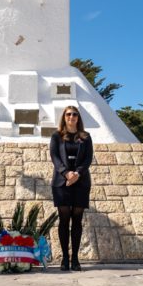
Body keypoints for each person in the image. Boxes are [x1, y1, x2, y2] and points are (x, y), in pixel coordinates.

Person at [49, 105, 94, 271]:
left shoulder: (86, 137)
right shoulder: (57, 136)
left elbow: (88, 158)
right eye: (68, 114)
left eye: (75, 114)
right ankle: (65, 258)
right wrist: (66, 173)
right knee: (64, 219)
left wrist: (77, 174)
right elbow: (54, 157)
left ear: (78, 118)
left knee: (77, 219)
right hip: (61, 182)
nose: (72, 117)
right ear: (64, 117)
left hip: (81, 182)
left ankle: (75, 258)